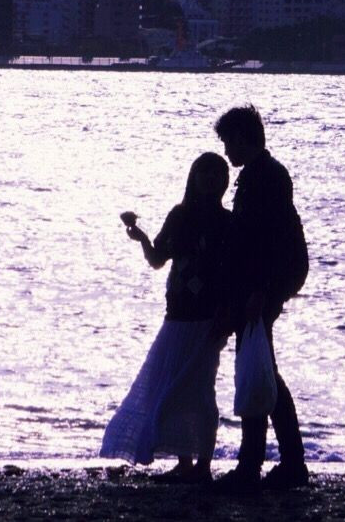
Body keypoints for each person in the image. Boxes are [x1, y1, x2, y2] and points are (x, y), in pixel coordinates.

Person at [100, 152, 233, 483]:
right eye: (204, 173)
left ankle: (203, 465)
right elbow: (158, 259)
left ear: (224, 181)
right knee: (168, 385)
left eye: (217, 174)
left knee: (200, 391)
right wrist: (141, 237)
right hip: (177, 315)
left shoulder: (227, 222)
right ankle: (186, 462)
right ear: (193, 177)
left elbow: (233, 271)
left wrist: (227, 314)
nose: (210, 180)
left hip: (209, 318)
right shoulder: (180, 216)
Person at [211, 105, 310, 492]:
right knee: (259, 368)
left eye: (228, 141)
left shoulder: (265, 176)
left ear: (242, 138)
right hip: (264, 282)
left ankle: (263, 463)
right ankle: (278, 461)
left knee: (259, 370)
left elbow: (269, 241)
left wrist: (261, 291)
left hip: (263, 283)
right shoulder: (260, 174)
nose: (226, 150)